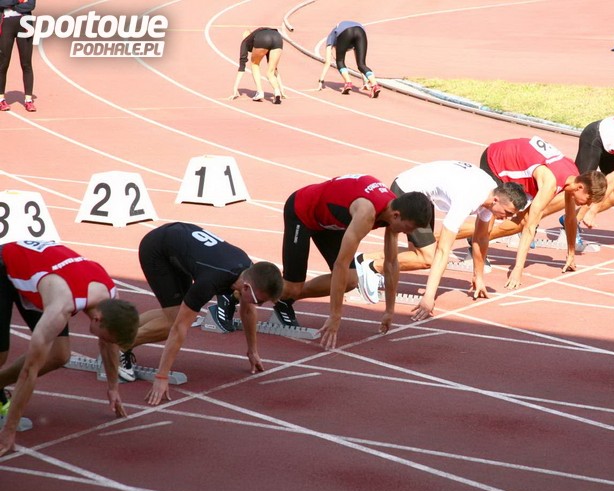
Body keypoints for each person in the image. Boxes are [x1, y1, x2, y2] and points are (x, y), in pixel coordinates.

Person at [0, 240, 139, 456]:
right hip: (5, 265)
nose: (106, 342)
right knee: (1, 353)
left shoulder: (111, 296)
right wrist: (8, 432)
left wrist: (113, 387)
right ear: (97, 319)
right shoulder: (60, 307)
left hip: (45, 272)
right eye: (106, 337)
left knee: (59, 355)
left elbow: (108, 344)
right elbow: (29, 372)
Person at [121, 222, 283, 406]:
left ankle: (120, 330)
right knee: (174, 321)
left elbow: (247, 309)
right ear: (246, 287)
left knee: (175, 313)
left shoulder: (249, 271)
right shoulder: (210, 281)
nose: (259, 305)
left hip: (178, 245)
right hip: (157, 250)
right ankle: (119, 345)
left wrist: (252, 351)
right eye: (259, 301)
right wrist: (161, 376)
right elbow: (179, 329)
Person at [354, 161, 527, 321]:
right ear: (496, 200)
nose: (507, 217)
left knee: (418, 253)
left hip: (423, 194)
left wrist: (478, 276)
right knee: (428, 257)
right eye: (508, 212)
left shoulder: (491, 194)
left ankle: (362, 259)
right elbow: (443, 250)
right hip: (407, 191)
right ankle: (371, 268)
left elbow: (481, 238)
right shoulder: (467, 199)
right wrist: (429, 297)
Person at [274, 174, 431, 349]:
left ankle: (284, 299)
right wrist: (335, 316)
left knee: (350, 280)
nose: (407, 233)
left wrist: (389, 310)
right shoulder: (366, 214)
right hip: (302, 211)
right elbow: (340, 264)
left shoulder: (395, 206)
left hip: (328, 222)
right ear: (396, 215)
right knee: (292, 287)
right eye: (408, 228)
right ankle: (254, 285)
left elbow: (391, 263)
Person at [459, 135, 607, 279]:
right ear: (580, 187)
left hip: (519, 163)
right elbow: (531, 228)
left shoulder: (573, 177)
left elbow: (570, 218)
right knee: (487, 225)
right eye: (589, 199)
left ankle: (475, 239)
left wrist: (571, 254)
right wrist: (518, 270)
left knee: (522, 221)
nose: (588, 205)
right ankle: (449, 236)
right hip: (496, 160)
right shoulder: (550, 184)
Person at [317, 21, 381, 98]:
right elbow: (359, 64)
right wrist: (365, 83)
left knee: (340, 61)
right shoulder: (349, 41)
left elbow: (328, 62)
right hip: (360, 31)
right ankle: (375, 85)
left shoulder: (330, 38)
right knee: (362, 64)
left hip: (346, 32)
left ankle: (348, 83)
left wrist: (321, 81)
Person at [229, 27, 286, 104]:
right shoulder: (256, 34)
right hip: (277, 37)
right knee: (270, 72)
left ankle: (259, 92)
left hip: (263, 38)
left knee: (254, 64)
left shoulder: (245, 41)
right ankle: (277, 92)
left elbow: (242, 67)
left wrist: (235, 88)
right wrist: (282, 89)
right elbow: (275, 69)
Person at [0, 0, 37, 112]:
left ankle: (28, 100)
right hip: (5, 25)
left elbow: (31, 5)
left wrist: (12, 5)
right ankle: (1, 99)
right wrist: (18, 1)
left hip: (25, 25)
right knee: (3, 64)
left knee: (26, 64)